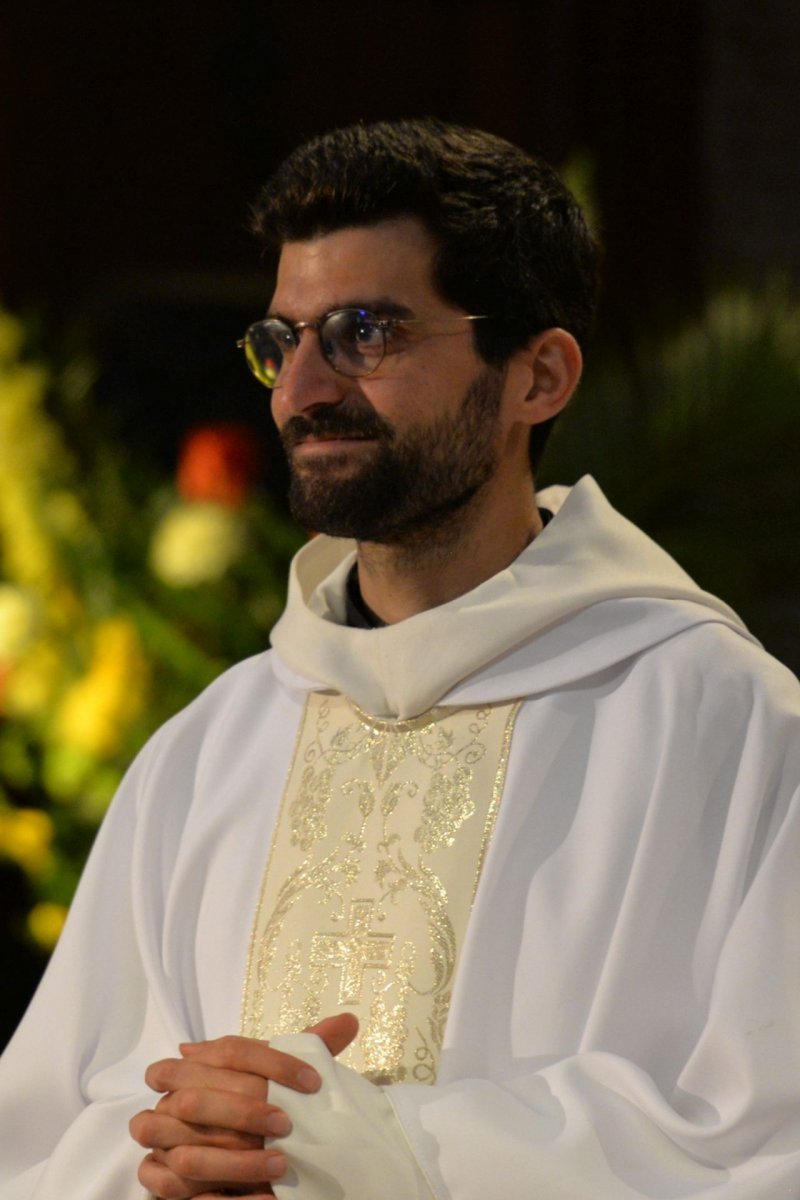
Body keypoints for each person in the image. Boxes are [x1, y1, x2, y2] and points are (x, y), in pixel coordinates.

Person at [1, 118, 800, 1200]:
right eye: (280, 343)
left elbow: (760, 1146)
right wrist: (179, 1149)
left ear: (539, 376)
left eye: (365, 333)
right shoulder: (211, 748)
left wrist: (376, 1149)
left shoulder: (727, 727)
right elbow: (39, 1141)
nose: (300, 392)